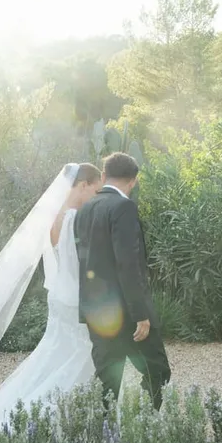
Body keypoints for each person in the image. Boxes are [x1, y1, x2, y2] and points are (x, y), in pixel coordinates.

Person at [0, 162, 101, 426]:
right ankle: (64, 419)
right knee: (81, 357)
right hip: (76, 299)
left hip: (58, 296)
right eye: (95, 191)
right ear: (83, 185)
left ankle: (31, 412)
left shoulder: (53, 218)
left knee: (53, 356)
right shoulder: (76, 219)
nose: (96, 199)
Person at [74, 152, 171, 410]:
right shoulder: (123, 207)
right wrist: (140, 313)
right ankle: (145, 423)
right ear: (134, 180)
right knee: (157, 370)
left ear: (104, 175)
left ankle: (103, 431)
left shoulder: (85, 209)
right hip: (126, 313)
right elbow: (128, 264)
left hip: (96, 311)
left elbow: (83, 261)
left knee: (107, 382)